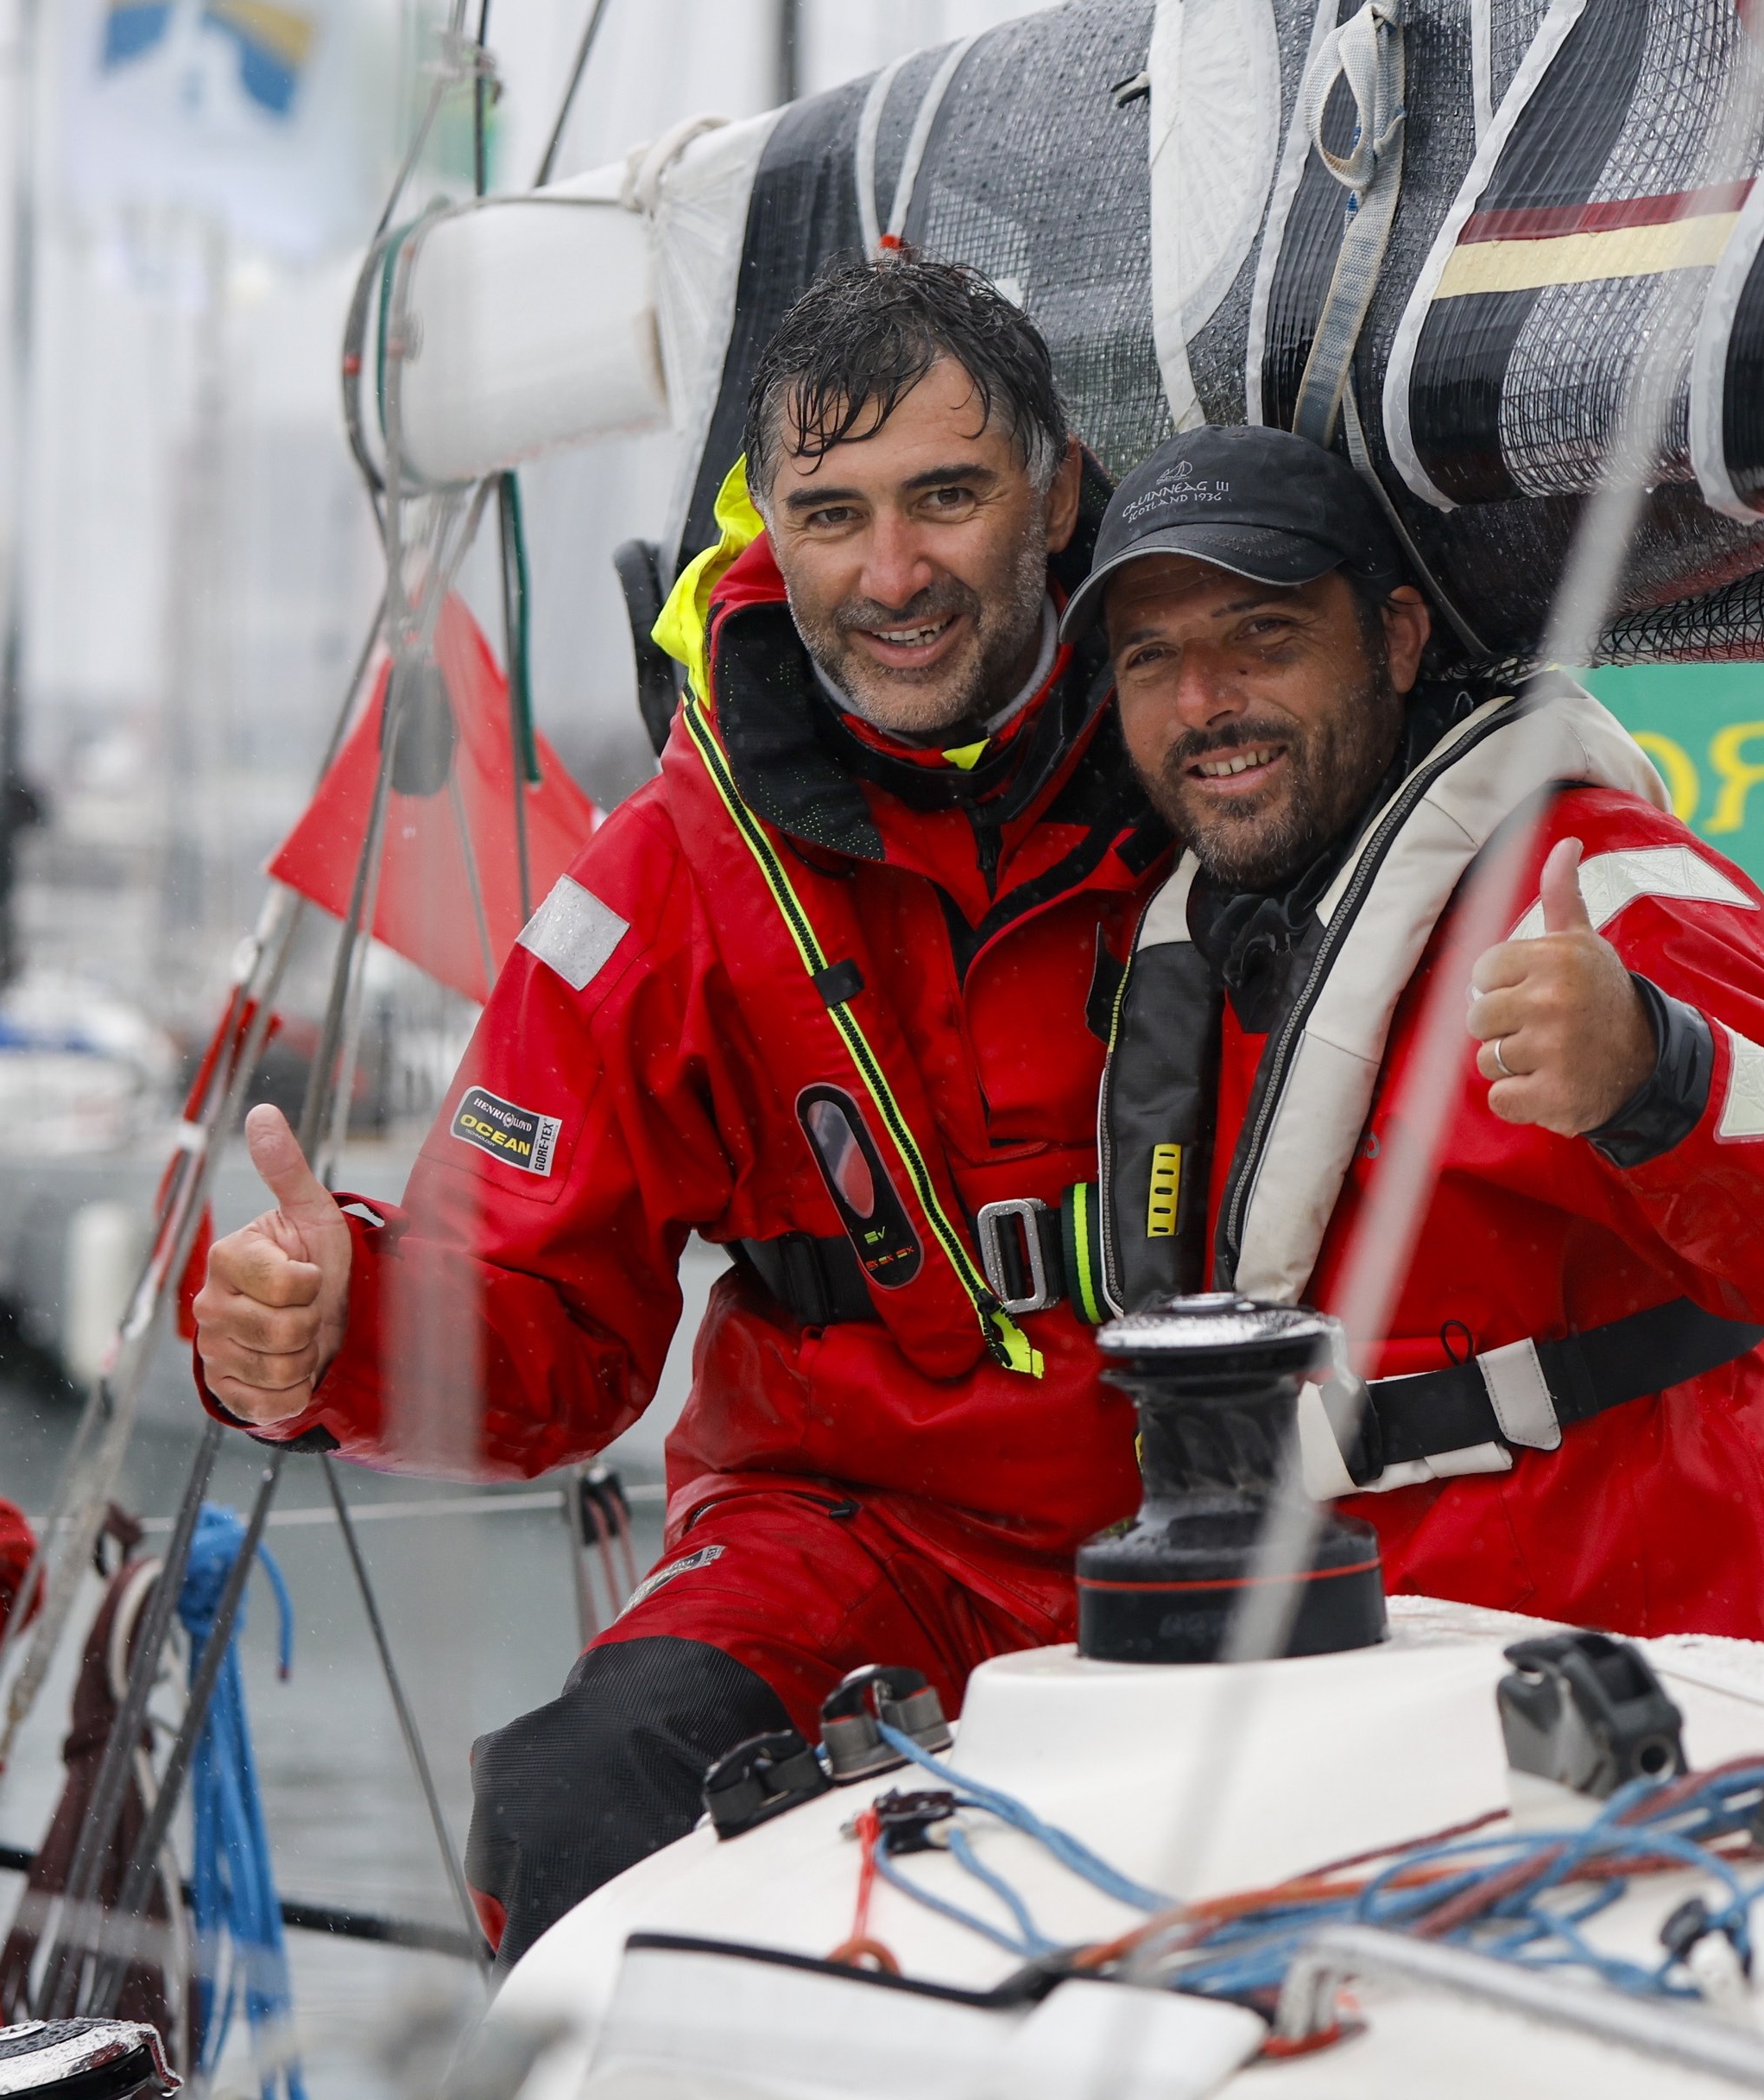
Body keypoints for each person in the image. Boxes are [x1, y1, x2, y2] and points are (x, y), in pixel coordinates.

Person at [187, 258, 1168, 1958]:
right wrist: (340, 1329)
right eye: (832, 512)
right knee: (577, 1797)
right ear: (766, 525)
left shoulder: (1217, 754)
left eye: (948, 495)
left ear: (1058, 488)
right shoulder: (673, 874)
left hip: (1225, 1517)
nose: (893, 572)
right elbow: (545, 1329)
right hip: (858, 1540)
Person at [1067, 423, 1764, 1660]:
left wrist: (1658, 1074)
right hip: (1346, 1710)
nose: (1203, 702)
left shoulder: (1601, 885)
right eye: (1151, 657)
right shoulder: (1166, 955)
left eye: (1263, 637)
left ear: (1394, 639)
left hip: (1668, 1710)